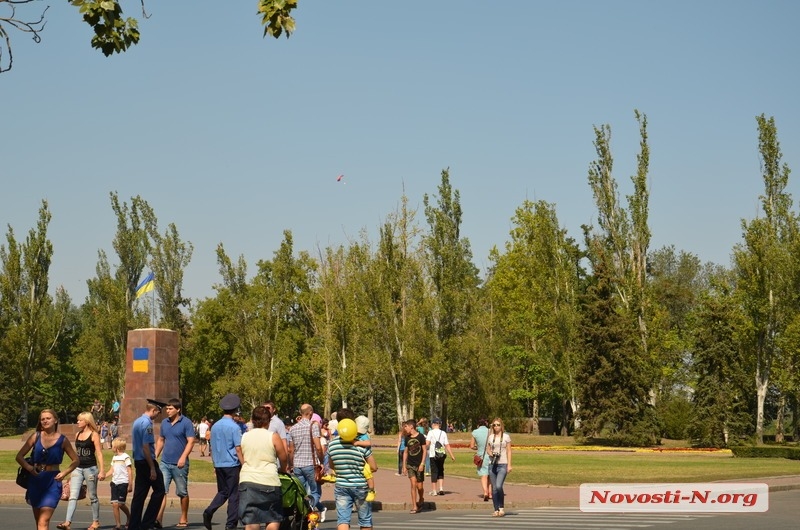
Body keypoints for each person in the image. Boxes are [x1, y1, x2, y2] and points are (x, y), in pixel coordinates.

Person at [16, 409, 79, 530]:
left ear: (55, 420)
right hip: (35, 479)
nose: (45, 421)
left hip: (52, 481)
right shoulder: (36, 436)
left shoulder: (63, 440)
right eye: (42, 419)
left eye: (48, 418)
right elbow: (19, 456)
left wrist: (65, 472)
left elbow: (76, 460)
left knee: (43, 521)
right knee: (39, 522)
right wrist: (29, 468)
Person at [238, 405, 288, 530]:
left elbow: (242, 453)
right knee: (272, 518)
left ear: (253, 420)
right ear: (269, 420)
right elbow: (283, 457)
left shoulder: (245, 436)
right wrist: (283, 468)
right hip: (269, 480)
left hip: (248, 480)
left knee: (251, 521)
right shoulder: (273, 436)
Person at [327, 409, 378, 530]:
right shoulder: (360, 445)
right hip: (360, 485)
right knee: (365, 520)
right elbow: (374, 467)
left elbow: (332, 466)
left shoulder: (332, 445)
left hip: (341, 486)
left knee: (343, 520)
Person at [58, 412, 106, 530]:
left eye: (80, 420)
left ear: (87, 421)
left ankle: (95, 522)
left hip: (91, 468)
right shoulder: (77, 434)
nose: (77, 422)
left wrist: (102, 470)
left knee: (93, 496)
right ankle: (67, 522)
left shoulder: (94, 435)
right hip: (78, 469)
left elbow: (99, 453)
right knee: (72, 496)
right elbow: (76, 454)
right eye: (77, 420)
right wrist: (71, 470)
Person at [203, 393, 244, 530]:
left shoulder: (215, 426)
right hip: (232, 464)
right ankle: (231, 524)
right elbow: (238, 448)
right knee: (234, 495)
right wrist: (244, 464)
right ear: (235, 410)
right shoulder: (234, 427)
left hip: (219, 463)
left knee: (222, 492)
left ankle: (209, 510)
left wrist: (215, 463)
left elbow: (213, 447)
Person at [156, 398, 196, 528]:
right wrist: (155, 456)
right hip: (165, 463)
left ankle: (184, 516)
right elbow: (161, 440)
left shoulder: (186, 423)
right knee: (162, 490)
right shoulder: (164, 423)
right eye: (167, 408)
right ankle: (158, 519)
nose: (167, 411)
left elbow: (191, 441)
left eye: (170, 408)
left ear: (178, 409)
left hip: (180, 464)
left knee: (182, 492)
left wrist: (183, 457)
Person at [128, 399, 167, 530]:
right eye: (158, 413)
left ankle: (134, 525)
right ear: (153, 410)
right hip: (147, 461)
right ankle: (147, 522)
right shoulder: (147, 424)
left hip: (139, 461)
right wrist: (152, 468)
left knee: (139, 495)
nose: (157, 416)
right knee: (160, 490)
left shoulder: (137, 421)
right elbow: (146, 447)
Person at [286, 404, 327, 521]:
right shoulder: (313, 426)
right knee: (316, 492)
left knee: (301, 492)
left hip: (297, 465)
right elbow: (318, 447)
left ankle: (301, 514)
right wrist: (322, 461)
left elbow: (291, 450)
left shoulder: (293, 428)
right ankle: (307, 509)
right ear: (311, 413)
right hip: (310, 464)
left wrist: (291, 465)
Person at [486, 417, 512, 517]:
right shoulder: (490, 437)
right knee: (494, 489)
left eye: (498, 425)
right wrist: (491, 453)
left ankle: (501, 506)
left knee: (498, 486)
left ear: (501, 426)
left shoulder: (506, 437)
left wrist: (509, 465)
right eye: (494, 425)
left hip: (502, 464)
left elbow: (509, 451)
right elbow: (488, 449)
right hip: (492, 464)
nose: (496, 427)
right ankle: (496, 509)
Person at [401, 419, 427, 514]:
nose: (405, 428)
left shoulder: (421, 437)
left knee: (419, 487)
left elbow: (424, 451)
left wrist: (422, 463)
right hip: (410, 465)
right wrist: (404, 466)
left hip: (419, 464)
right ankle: (414, 506)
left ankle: (421, 498)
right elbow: (405, 452)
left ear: (411, 427)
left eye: (406, 427)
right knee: (413, 484)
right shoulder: (407, 438)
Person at [106, 438, 133, 530]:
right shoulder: (114, 457)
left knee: (121, 504)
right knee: (114, 504)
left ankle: (130, 517)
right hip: (114, 483)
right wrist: (104, 475)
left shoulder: (126, 457)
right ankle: (118, 524)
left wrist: (130, 484)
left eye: (112, 446)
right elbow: (112, 470)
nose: (111, 447)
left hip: (123, 483)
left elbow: (129, 471)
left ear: (116, 447)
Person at [425, 418, 455, 496]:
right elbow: (447, 445)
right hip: (442, 455)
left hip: (433, 455)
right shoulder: (443, 433)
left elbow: (427, 443)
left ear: (434, 424)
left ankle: (434, 490)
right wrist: (452, 455)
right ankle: (441, 488)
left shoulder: (430, 433)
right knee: (441, 470)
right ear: (439, 425)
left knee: (434, 471)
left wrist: (423, 449)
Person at [470, 418, 492, 501]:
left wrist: (478, 448)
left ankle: (485, 492)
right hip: (490, 455)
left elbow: (472, 446)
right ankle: (490, 493)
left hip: (481, 456)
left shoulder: (475, 432)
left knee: (483, 475)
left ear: (478, 424)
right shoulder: (490, 431)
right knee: (490, 475)